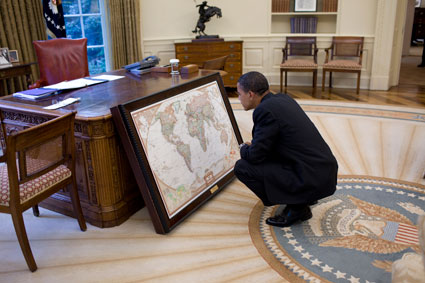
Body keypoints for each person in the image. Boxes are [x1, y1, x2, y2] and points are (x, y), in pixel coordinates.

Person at [234, 71, 338, 227]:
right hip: (323, 172)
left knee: (242, 167)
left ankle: (297, 206)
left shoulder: (264, 111)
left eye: (239, 94)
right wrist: (256, 146)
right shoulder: (282, 98)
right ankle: (304, 197)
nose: (238, 98)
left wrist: (243, 149)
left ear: (250, 94)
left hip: (311, 177)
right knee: (263, 158)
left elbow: (256, 156)